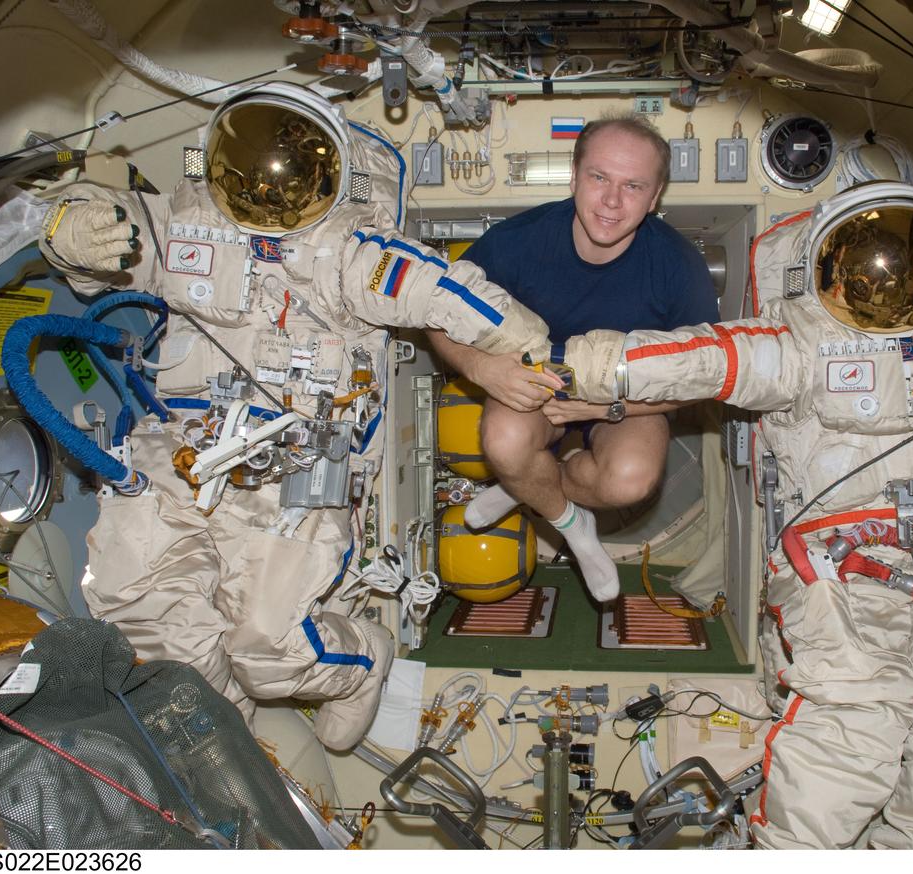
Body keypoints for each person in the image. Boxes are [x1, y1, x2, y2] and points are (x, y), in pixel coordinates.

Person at [556, 181, 913, 847]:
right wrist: (579, 366)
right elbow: (693, 360)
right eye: (867, 262)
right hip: (843, 560)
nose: (886, 283)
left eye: (905, 260)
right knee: (854, 714)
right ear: (828, 265)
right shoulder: (797, 341)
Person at [37, 82, 549, 751]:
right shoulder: (180, 227)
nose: (267, 191)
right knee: (144, 617)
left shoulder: (354, 255)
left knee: (268, 651)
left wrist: (527, 343)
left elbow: (448, 292)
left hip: (290, 463)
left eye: (287, 177)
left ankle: (362, 662)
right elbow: (101, 221)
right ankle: (224, 743)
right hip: (178, 449)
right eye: (252, 171)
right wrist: (68, 231)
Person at [427, 114, 719, 602]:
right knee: (504, 442)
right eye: (599, 177)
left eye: (633, 186)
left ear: (655, 196)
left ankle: (526, 487)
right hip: (537, 386)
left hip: (627, 398)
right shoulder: (519, 241)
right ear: (574, 176)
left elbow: (702, 380)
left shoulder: (679, 266)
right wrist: (481, 367)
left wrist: (607, 407)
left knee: (629, 480)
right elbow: (437, 310)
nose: (612, 200)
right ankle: (572, 524)